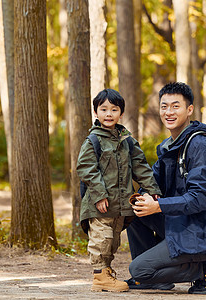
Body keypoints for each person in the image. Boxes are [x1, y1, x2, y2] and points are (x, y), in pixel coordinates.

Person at [126, 82, 206, 294]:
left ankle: (204, 267)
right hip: (182, 222)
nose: (169, 112)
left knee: (138, 269)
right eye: (164, 106)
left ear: (189, 110)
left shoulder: (200, 145)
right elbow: (153, 182)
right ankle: (155, 275)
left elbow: (199, 199)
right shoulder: (171, 145)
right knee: (135, 209)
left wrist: (158, 206)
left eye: (176, 106)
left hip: (202, 230)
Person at [76, 88, 161, 292]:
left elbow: (140, 166)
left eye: (114, 110)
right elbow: (86, 168)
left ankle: (106, 272)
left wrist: (152, 189)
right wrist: (99, 194)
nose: (108, 114)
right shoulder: (93, 140)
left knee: (112, 240)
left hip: (121, 203)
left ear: (121, 113)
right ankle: (99, 276)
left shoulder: (127, 141)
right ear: (96, 112)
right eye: (103, 109)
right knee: (101, 238)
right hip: (101, 203)